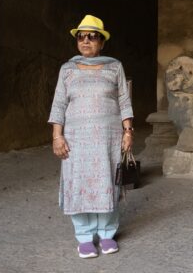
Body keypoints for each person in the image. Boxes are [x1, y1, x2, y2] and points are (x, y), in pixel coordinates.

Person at [48, 14, 134, 259]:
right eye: (81, 37)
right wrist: (57, 136)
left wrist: (128, 131)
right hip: (76, 139)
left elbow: (123, 100)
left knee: (107, 182)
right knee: (79, 183)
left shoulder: (115, 67)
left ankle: (107, 234)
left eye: (92, 37)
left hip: (108, 138)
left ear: (102, 42)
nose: (85, 41)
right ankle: (84, 237)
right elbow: (59, 103)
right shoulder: (67, 69)